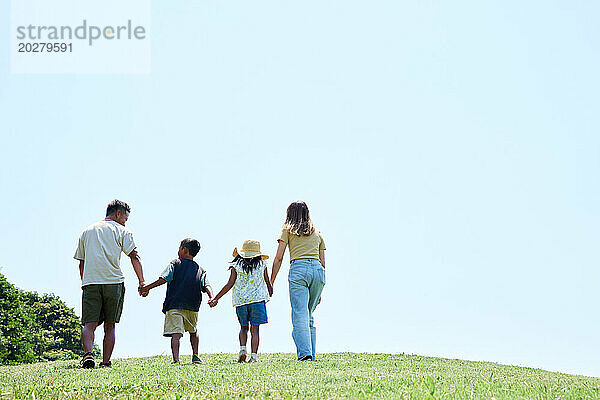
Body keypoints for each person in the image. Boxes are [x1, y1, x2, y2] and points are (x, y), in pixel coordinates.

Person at [74, 199, 146, 369]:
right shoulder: (122, 231)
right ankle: (105, 362)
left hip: (91, 282)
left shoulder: (87, 231)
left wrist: (85, 282)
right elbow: (134, 256)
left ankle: (88, 355)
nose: (125, 222)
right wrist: (142, 281)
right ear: (119, 213)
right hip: (114, 282)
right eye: (125, 218)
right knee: (110, 325)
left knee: (89, 323)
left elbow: (81, 263)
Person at [140, 238, 213, 364]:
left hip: (175, 304)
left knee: (176, 333)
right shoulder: (200, 269)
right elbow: (206, 285)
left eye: (179, 248)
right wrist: (212, 297)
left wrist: (147, 288)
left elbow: (164, 278)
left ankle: (176, 359)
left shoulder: (175, 263)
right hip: (193, 305)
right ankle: (195, 356)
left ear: (184, 250)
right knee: (193, 330)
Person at [270, 201, 326, 361]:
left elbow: (279, 258)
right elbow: (322, 263)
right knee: (308, 314)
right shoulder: (318, 233)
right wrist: (320, 290)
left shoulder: (287, 231)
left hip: (299, 269)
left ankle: (305, 354)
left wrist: (271, 281)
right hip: (317, 272)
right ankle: (311, 355)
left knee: (300, 313)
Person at [208, 240, 273, 363]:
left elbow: (230, 284)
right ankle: (253, 356)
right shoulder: (262, 264)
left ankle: (243, 349)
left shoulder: (236, 265)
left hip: (241, 301)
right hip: (257, 301)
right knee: (255, 330)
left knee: (243, 327)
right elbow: (267, 282)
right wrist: (270, 290)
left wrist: (216, 298)